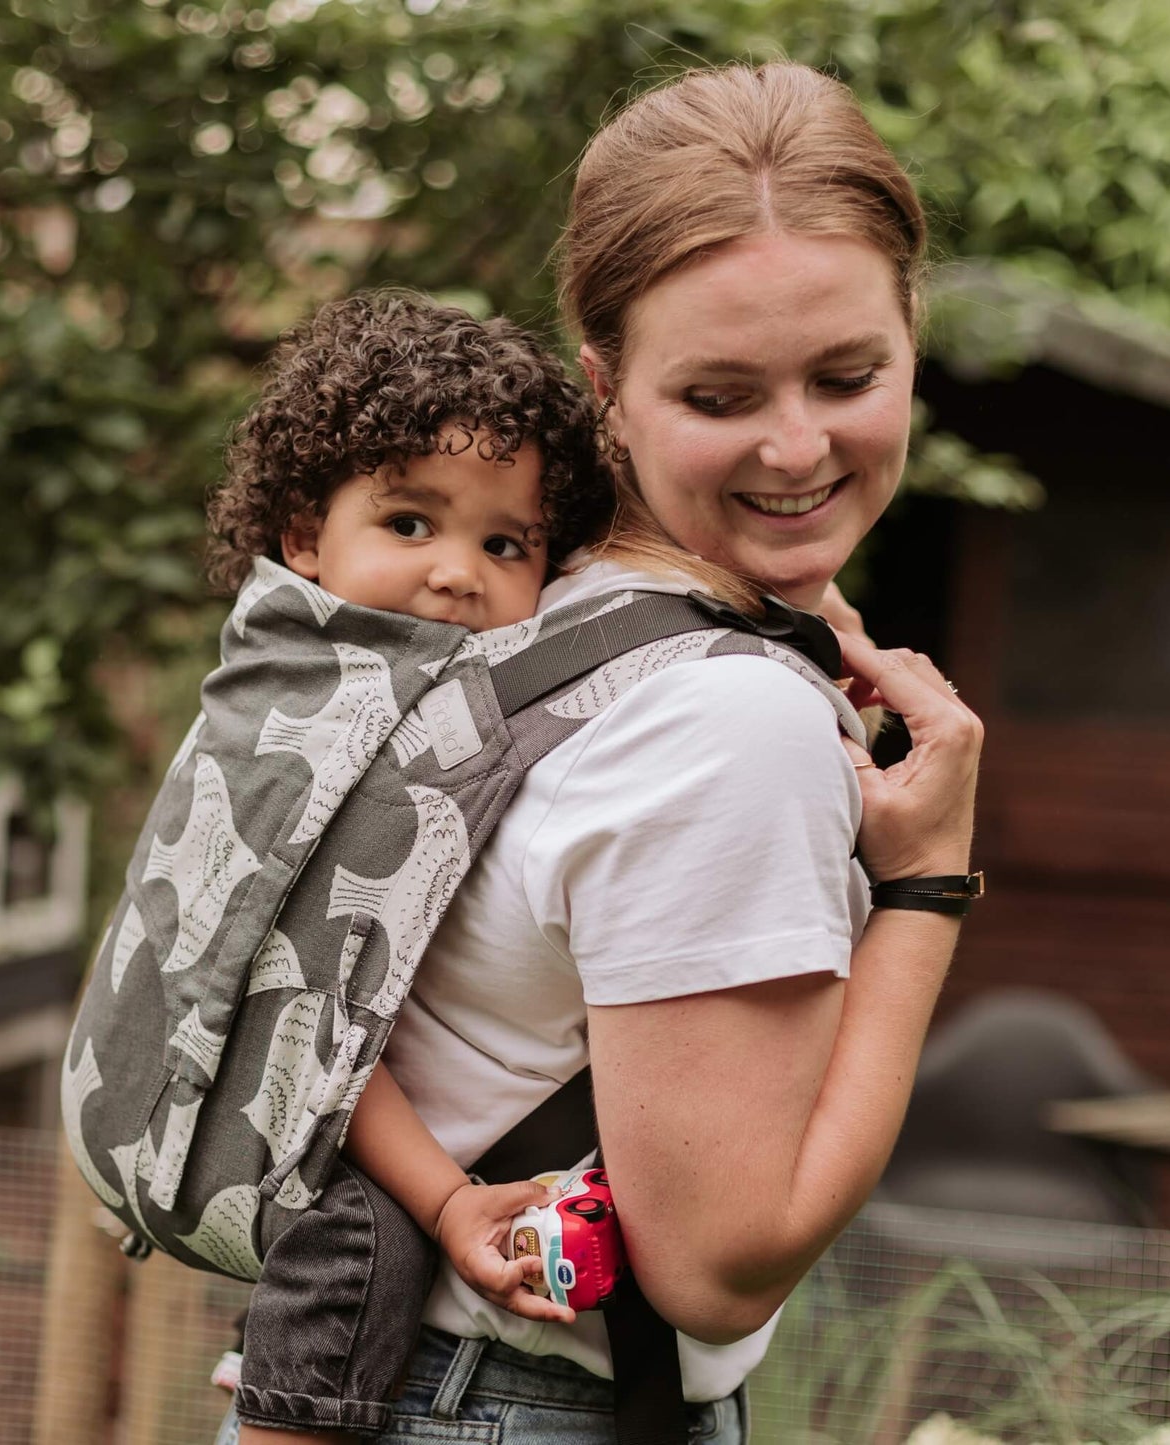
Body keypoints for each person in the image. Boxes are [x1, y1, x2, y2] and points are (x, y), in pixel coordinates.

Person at [218, 60, 984, 1444]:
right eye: (718, 395)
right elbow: (716, 1261)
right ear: (605, 387)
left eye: (847, 373)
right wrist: (927, 889)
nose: (797, 444)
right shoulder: (727, 721)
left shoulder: (535, 601)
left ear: (912, 333)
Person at [202, 289, 617, 1443]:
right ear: (300, 536)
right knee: (356, 1235)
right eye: (408, 523)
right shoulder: (329, 712)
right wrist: (442, 1196)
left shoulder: (439, 689)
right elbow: (312, 1021)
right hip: (314, 1113)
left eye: (504, 542)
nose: (454, 571)